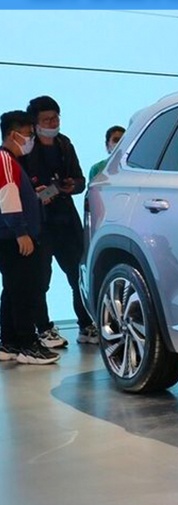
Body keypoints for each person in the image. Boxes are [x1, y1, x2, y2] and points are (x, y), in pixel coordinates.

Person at [22, 95, 98, 348]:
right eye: (46, 119)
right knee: (40, 278)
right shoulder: (27, 149)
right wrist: (41, 194)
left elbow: (80, 180)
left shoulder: (64, 144)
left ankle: (86, 324)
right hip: (40, 223)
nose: (52, 123)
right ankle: (43, 328)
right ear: (34, 123)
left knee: (78, 274)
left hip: (66, 220)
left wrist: (69, 185)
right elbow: (23, 189)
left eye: (55, 118)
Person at [0, 111, 60, 365]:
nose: (30, 140)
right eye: (28, 134)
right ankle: (28, 345)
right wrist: (21, 232)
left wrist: (33, 197)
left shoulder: (12, 162)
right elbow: (7, 196)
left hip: (10, 236)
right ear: (13, 134)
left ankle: (9, 342)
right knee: (25, 291)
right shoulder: (5, 160)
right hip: (13, 238)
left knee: (13, 290)